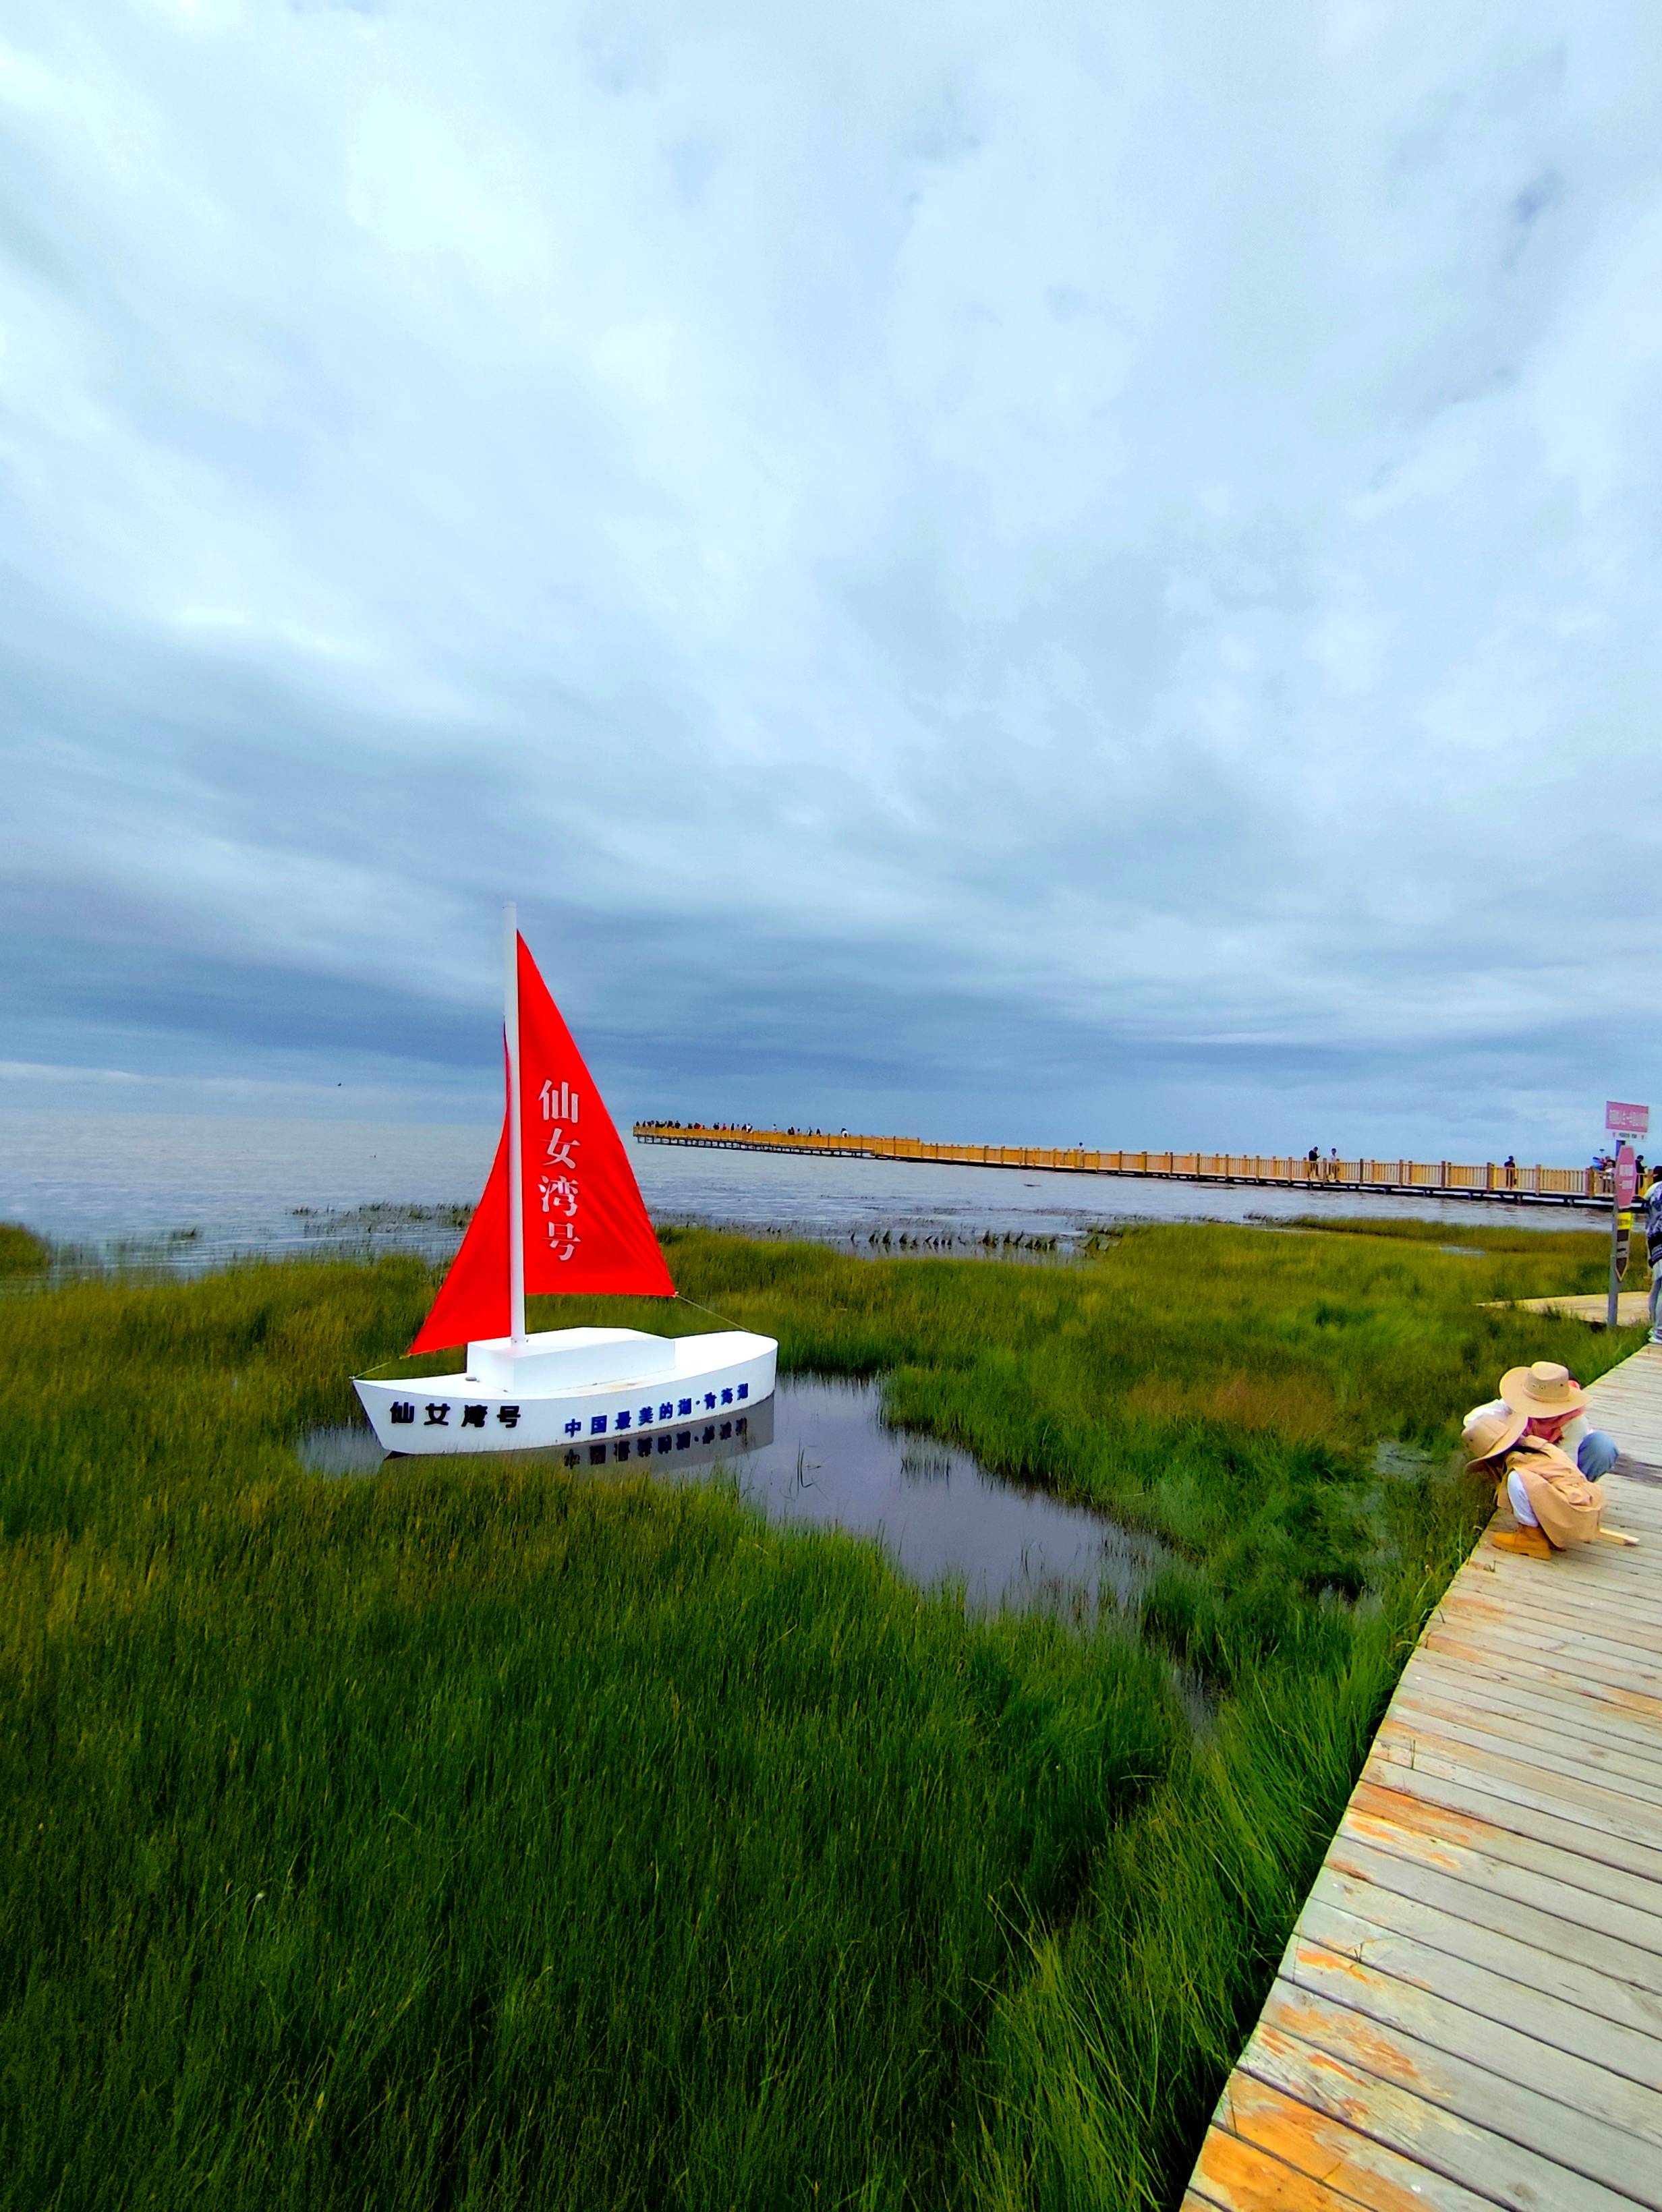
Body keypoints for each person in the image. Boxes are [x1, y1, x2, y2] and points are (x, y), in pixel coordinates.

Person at [1462, 1408, 1615, 1558]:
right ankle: (1549, 1530)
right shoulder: (1536, 1444)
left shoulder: (1519, 1461)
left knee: (1517, 1479)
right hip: (1591, 1502)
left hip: (1575, 1509)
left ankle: (1532, 1538)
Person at [1464, 1360, 1618, 1483]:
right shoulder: (1515, 1404)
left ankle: (1573, 1498)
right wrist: (1512, 1430)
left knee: (1602, 1447)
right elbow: (1472, 1420)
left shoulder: (1574, 1422)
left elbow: (1565, 1464)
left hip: (1561, 1457)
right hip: (1524, 1456)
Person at [1644, 1165, 1662, 1344]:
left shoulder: (1653, 1189)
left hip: (1653, 1240)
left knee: (1657, 1285)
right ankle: (1659, 1332)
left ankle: (1655, 1327)